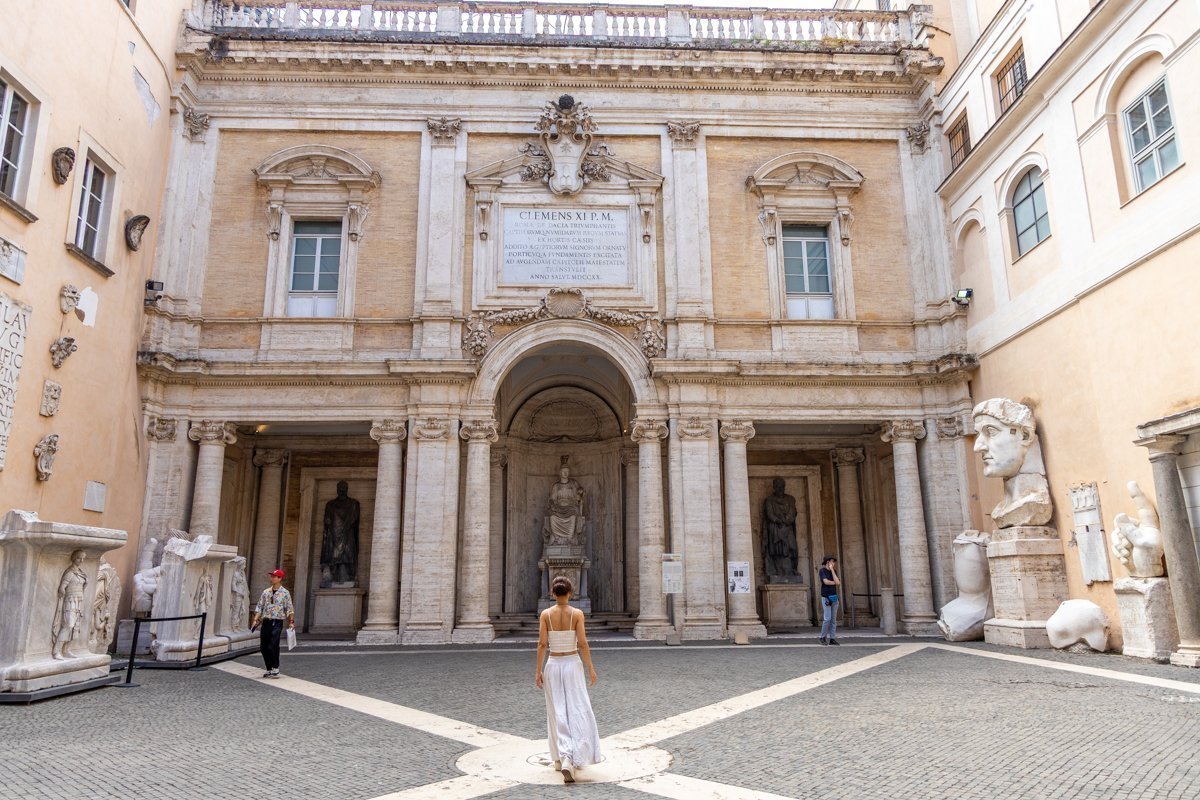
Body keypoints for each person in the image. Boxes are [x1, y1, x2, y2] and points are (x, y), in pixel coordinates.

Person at [535, 576, 600, 784]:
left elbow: (542, 645)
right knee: (576, 709)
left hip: (553, 664)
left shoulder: (545, 614)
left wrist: (538, 671)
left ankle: (560, 758)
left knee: (556, 712)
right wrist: (590, 667)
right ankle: (568, 757)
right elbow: (582, 643)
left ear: (553, 593)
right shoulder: (577, 614)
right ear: (570, 593)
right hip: (573, 664)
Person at [251, 569, 295, 678]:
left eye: (275, 576)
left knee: (274, 644)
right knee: (263, 646)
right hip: (266, 621)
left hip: (277, 621)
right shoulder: (266, 592)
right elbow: (260, 607)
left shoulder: (285, 593)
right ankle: (269, 668)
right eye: (272, 576)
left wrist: (291, 622)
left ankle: (276, 667)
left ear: (280, 579)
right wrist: (255, 620)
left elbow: (289, 608)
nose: (272, 578)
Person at [818, 556, 841, 646]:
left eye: (834, 562)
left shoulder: (834, 571)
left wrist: (832, 570)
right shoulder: (822, 571)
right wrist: (835, 582)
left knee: (833, 620)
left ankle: (832, 638)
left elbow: (838, 583)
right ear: (827, 562)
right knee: (827, 618)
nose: (834, 563)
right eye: (832, 562)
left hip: (834, 598)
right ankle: (822, 637)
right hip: (826, 597)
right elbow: (826, 582)